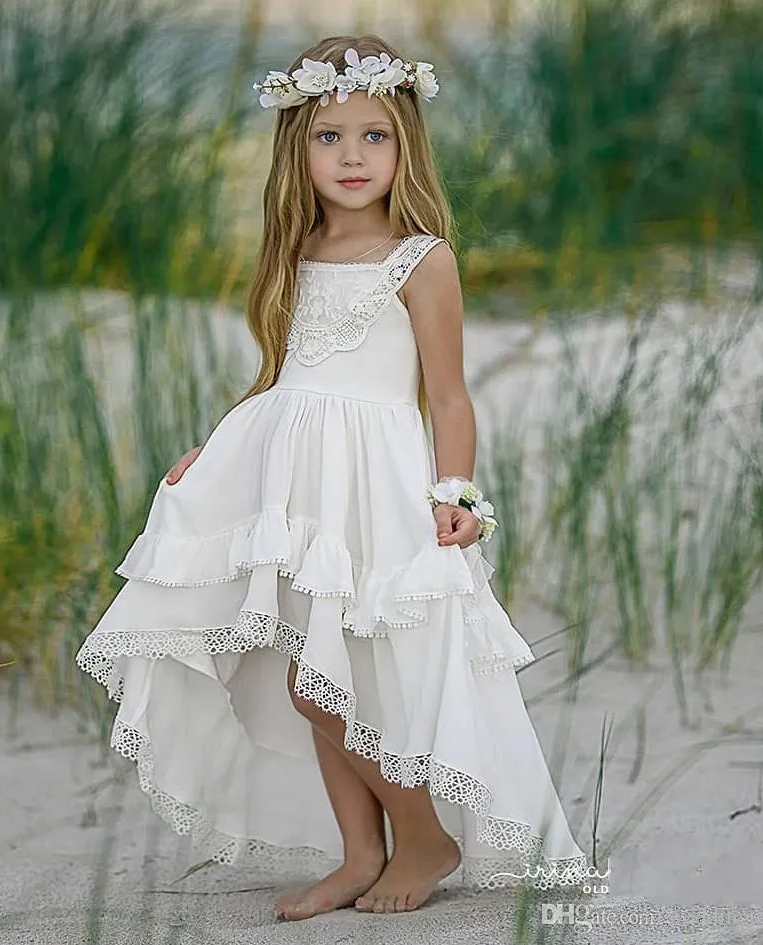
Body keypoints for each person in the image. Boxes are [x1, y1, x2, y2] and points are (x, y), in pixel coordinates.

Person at [76, 33, 588, 922]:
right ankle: (361, 852)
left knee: (336, 672)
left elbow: (449, 396)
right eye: (328, 137)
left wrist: (456, 494)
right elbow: (283, 378)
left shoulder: (421, 259)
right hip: (291, 478)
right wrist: (217, 452)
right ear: (296, 148)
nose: (352, 157)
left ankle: (422, 834)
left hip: (373, 478)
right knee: (306, 667)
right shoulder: (297, 248)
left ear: (406, 146)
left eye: (373, 136)